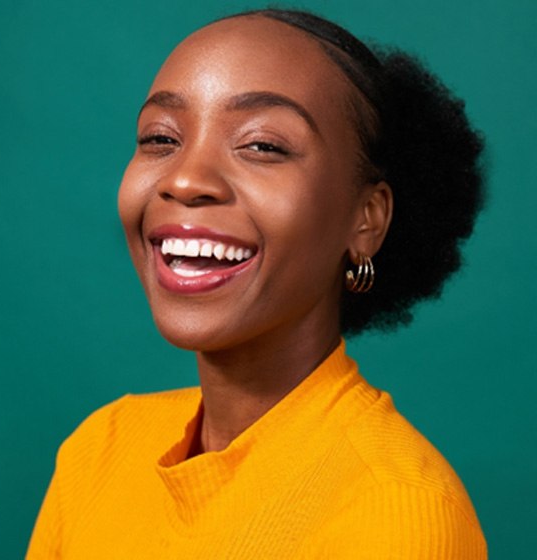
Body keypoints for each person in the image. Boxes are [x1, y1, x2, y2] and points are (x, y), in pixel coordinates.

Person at [27, 8, 487, 559]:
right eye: (160, 138)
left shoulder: (399, 512)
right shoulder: (100, 450)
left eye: (263, 145)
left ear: (366, 219)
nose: (186, 178)